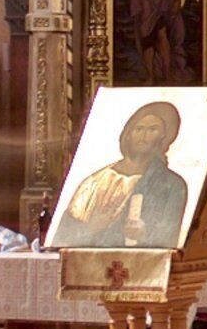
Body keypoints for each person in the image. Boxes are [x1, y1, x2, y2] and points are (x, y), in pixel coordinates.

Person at [58, 100, 193, 248]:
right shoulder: (95, 182)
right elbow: (64, 235)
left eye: (152, 129)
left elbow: (169, 237)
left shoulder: (172, 185)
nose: (143, 135)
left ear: (163, 137)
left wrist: (144, 235)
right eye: (139, 128)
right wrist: (91, 228)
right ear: (128, 134)